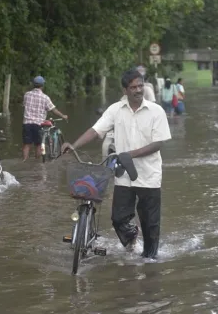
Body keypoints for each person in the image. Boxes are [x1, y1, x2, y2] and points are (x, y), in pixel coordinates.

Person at [61, 69, 171, 259]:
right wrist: (74, 145)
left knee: (150, 224)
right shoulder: (115, 110)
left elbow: (159, 143)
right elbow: (96, 130)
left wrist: (130, 154)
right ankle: (131, 237)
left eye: (140, 86)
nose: (138, 90)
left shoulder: (156, 111)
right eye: (133, 87)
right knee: (118, 219)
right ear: (125, 90)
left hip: (149, 175)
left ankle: (150, 264)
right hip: (124, 175)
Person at [22, 76, 68, 161]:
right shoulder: (45, 98)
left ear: (33, 85)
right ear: (42, 85)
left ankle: (24, 161)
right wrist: (63, 116)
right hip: (38, 124)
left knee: (26, 144)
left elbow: (25, 105)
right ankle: (37, 162)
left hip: (27, 123)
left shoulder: (27, 95)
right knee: (38, 145)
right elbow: (54, 110)